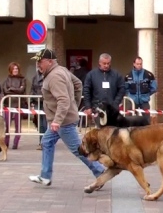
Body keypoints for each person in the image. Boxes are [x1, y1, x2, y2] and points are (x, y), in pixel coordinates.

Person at [28, 48, 105, 186]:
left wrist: (58, 119)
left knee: (78, 149)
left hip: (63, 122)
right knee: (46, 142)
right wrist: (74, 104)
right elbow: (78, 84)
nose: (38, 64)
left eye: (40, 61)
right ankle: (45, 176)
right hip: (62, 119)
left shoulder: (54, 76)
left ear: (50, 62)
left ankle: (100, 172)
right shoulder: (61, 70)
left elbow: (63, 100)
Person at [83, 53, 125, 126]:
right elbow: (86, 91)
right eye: (104, 63)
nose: (106, 65)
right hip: (97, 108)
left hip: (112, 109)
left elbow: (122, 89)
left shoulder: (116, 75)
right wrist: (88, 106)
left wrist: (116, 102)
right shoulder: (91, 75)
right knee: (100, 131)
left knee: (113, 131)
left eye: (108, 63)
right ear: (99, 63)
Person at [2, 62, 26, 149]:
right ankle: (6, 143)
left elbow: (22, 90)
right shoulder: (7, 79)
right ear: (10, 70)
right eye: (14, 69)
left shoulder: (23, 79)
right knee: (7, 125)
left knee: (17, 125)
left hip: (18, 105)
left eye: (16, 69)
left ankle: (15, 143)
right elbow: (5, 90)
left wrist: (11, 89)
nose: (15, 70)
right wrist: (16, 89)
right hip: (8, 104)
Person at [124, 57, 157, 122]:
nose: (139, 65)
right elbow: (125, 88)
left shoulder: (149, 75)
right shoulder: (128, 76)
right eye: (137, 64)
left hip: (144, 102)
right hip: (132, 102)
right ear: (134, 64)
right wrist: (130, 95)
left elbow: (154, 88)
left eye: (140, 64)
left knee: (147, 121)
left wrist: (147, 94)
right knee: (129, 120)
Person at [30, 67, 47, 151]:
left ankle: (46, 142)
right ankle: (41, 142)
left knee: (45, 124)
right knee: (40, 124)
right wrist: (31, 101)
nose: (41, 67)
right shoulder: (35, 77)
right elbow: (32, 89)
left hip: (47, 103)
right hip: (38, 102)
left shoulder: (48, 75)